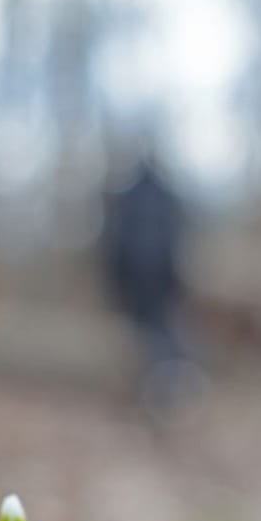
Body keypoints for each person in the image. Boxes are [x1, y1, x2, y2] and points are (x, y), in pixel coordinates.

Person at [100, 154, 197, 417]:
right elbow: (178, 240)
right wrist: (179, 278)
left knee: (146, 331)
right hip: (162, 275)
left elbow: (114, 242)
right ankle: (164, 386)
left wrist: (114, 283)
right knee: (163, 327)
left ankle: (158, 387)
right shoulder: (167, 197)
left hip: (135, 276)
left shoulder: (127, 197)